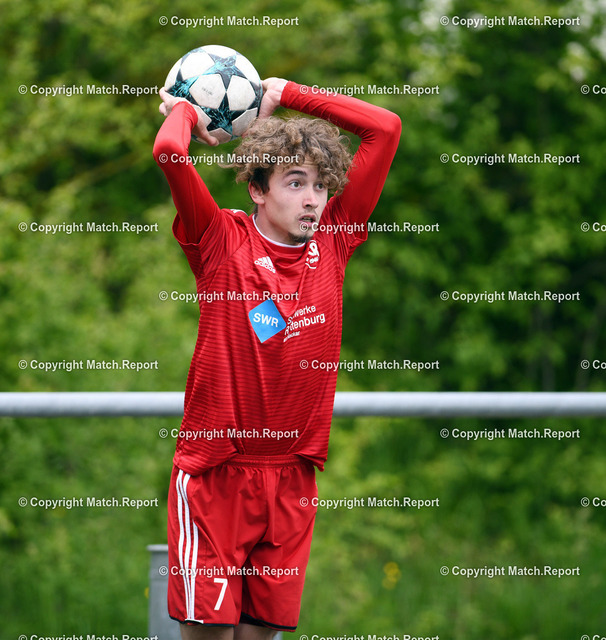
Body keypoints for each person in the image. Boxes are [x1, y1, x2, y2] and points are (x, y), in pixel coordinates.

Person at [153, 74, 401, 639]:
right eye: (295, 182)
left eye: (320, 185)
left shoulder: (336, 239)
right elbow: (168, 151)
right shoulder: (221, 240)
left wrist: (288, 93)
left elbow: (385, 128)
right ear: (258, 190)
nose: (313, 198)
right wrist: (188, 112)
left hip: (292, 478)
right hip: (216, 475)